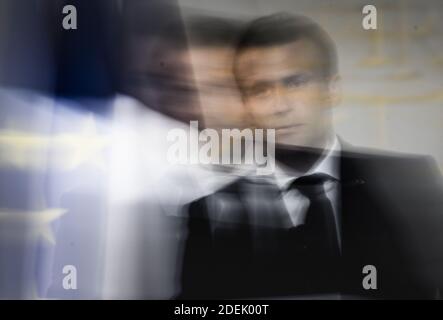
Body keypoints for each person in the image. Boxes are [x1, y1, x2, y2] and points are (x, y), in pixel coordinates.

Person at [179, 13, 443, 299]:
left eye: (296, 82)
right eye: (260, 89)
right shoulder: (208, 213)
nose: (280, 106)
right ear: (245, 103)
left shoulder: (411, 181)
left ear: (332, 90)